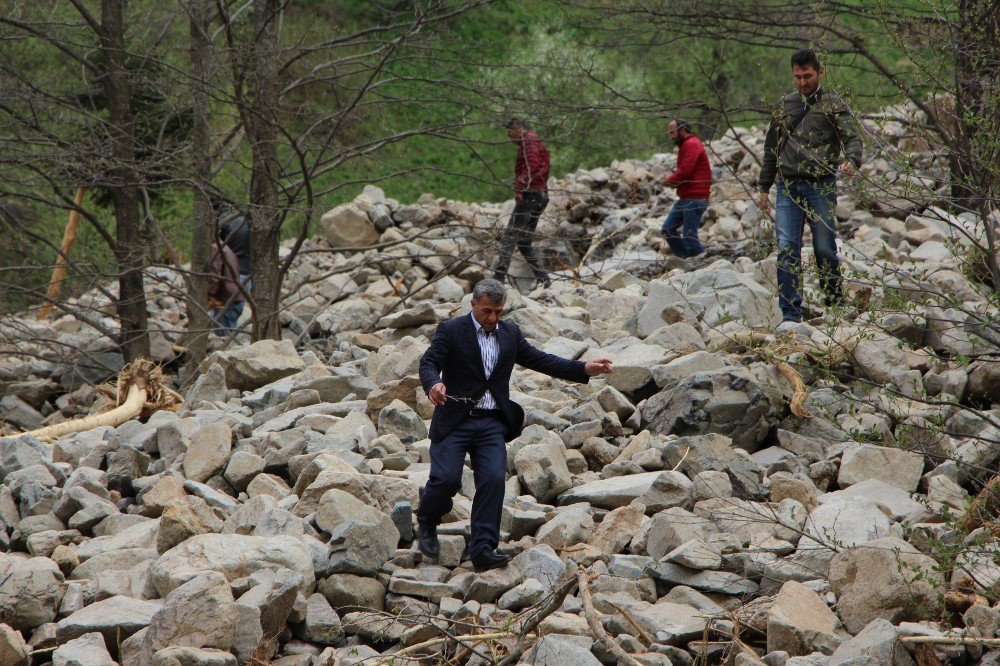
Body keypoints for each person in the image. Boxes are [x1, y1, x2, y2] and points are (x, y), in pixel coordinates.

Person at [416, 279, 613, 571]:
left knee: (494, 480)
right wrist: (433, 384)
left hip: (491, 423)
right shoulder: (451, 330)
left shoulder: (509, 333)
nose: (493, 318)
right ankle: (427, 521)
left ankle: (483, 548)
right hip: (454, 420)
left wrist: (583, 368)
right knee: (445, 480)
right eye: (487, 311)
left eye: (498, 311)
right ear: (473, 305)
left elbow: (540, 360)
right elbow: (428, 362)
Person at [758, 48, 863, 325]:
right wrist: (763, 187)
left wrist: (852, 160)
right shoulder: (784, 105)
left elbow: (852, 137)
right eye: (797, 77)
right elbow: (772, 149)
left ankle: (835, 302)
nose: (802, 82)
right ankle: (791, 313)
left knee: (824, 248)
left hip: (821, 185)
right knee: (787, 249)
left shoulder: (833, 103)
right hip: (788, 187)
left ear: (820, 73)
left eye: (807, 76)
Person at [493, 119, 552, 290]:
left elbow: (530, 166)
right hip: (541, 195)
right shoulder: (535, 141)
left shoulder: (528, 141)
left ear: (517, 129)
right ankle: (544, 279)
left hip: (531, 194)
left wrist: (520, 187)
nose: (509, 138)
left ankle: (498, 279)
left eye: (509, 133)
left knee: (510, 236)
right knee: (524, 242)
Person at [660, 119, 712, 258]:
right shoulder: (686, 145)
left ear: (682, 131)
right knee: (668, 229)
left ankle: (700, 262)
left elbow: (685, 172)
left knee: (689, 236)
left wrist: (667, 181)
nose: (670, 137)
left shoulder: (691, 144)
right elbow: (685, 172)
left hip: (695, 198)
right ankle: (687, 259)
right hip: (687, 197)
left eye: (672, 132)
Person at [214, 204, 251, 332]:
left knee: (222, 317)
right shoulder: (246, 221)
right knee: (233, 312)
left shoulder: (222, 224)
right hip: (247, 274)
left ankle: (223, 346)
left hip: (229, 275)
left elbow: (217, 253)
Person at [207, 240, 244, 334]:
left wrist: (208, 296)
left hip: (226, 300)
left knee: (223, 339)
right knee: (229, 337)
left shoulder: (215, 248)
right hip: (236, 298)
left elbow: (214, 276)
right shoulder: (225, 247)